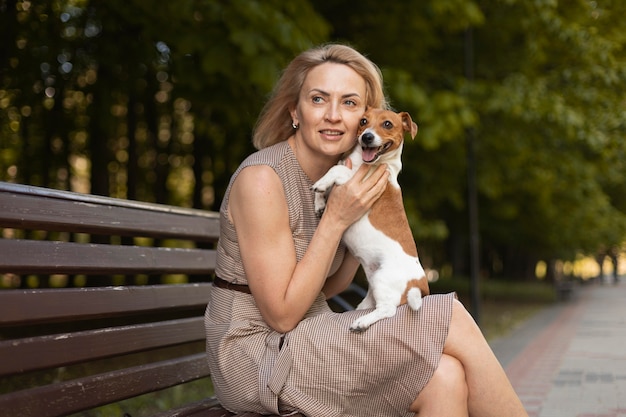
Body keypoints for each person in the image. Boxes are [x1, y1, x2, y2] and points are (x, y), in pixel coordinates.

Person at [205, 43, 528, 417]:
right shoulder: (262, 180)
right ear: (295, 110)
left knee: (446, 375)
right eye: (318, 99)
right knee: (449, 316)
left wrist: (361, 224)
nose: (333, 116)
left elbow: (329, 286)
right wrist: (338, 218)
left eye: (349, 103)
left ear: (365, 118)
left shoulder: (345, 179)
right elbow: (281, 316)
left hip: (310, 334)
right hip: (257, 355)